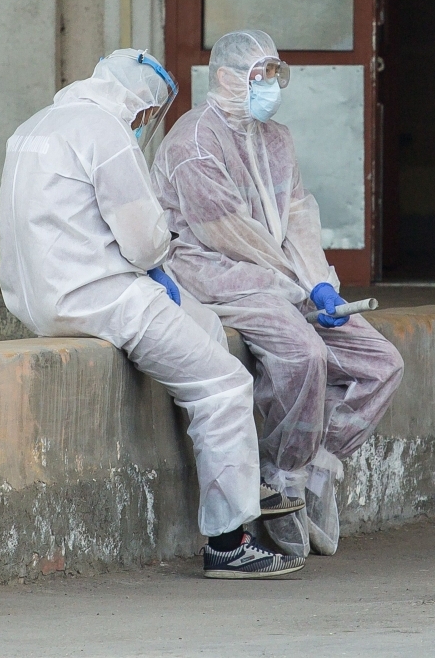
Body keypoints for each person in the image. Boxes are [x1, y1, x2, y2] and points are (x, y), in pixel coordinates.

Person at [0, 48, 307, 578]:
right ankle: (229, 544)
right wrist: (160, 255)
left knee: (207, 324)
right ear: (141, 107)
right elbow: (143, 244)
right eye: (147, 117)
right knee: (226, 385)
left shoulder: (35, 126)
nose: (144, 126)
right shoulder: (106, 133)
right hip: (103, 299)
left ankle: (236, 467)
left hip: (38, 299)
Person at [151, 30, 404, 558]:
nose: (269, 85)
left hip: (283, 275)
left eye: (273, 74)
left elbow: (296, 215)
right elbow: (227, 233)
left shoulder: (276, 139)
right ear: (226, 77)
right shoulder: (193, 142)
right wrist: (296, 284)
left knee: (382, 363)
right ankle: (282, 479)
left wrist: (319, 282)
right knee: (303, 354)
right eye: (258, 74)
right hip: (221, 274)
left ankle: (317, 470)